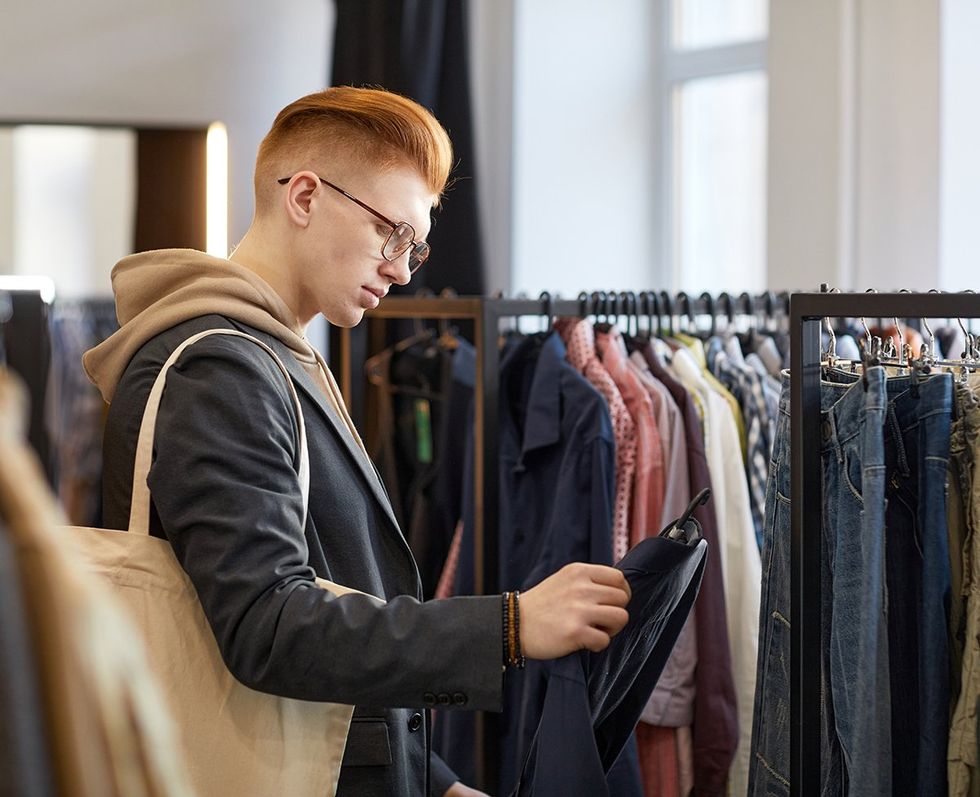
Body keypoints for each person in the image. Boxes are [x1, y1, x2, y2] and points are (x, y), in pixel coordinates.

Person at [84, 86, 631, 797]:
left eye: (416, 245)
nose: (403, 268)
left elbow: (334, 589)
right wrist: (510, 623)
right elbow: (270, 623)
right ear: (305, 196)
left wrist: (430, 779)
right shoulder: (222, 368)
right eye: (391, 233)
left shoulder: (282, 355)